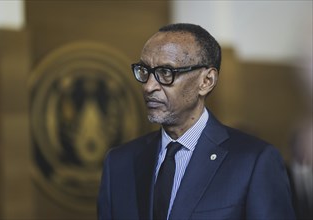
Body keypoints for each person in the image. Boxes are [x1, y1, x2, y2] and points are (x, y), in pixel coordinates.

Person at [97, 23, 296, 220]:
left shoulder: (254, 162)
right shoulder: (119, 163)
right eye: (144, 71)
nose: (149, 86)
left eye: (166, 72)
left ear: (206, 81)